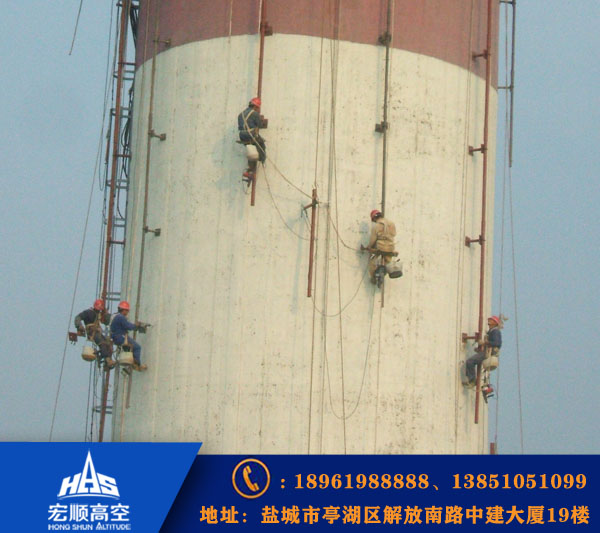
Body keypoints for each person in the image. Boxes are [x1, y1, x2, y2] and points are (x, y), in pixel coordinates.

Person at [73, 299, 115, 368]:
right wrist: (79, 326)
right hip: (92, 332)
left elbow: (106, 320)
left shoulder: (98, 314)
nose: (99, 311)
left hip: (96, 332)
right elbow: (78, 317)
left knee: (108, 343)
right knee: (102, 343)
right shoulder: (88, 312)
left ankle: (106, 360)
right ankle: (107, 360)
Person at [465, 315, 502, 385]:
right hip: (487, 352)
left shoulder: (495, 331)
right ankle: (472, 379)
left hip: (489, 352)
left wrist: (484, 342)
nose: (489, 321)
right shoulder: (491, 332)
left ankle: (472, 380)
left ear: (495, 323)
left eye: (491, 320)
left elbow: (497, 343)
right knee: (471, 361)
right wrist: (480, 350)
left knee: (470, 361)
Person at [110, 301, 147, 371]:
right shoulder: (121, 317)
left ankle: (129, 365)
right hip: (120, 337)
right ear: (123, 310)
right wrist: (136, 325)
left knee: (128, 349)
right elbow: (128, 326)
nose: (127, 312)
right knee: (137, 347)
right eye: (127, 310)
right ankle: (137, 365)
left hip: (116, 337)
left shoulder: (116, 317)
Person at [362, 209, 396, 283]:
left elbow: (373, 239)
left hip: (381, 247)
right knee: (388, 260)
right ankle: (388, 270)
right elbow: (394, 234)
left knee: (372, 262)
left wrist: (369, 247)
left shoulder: (376, 226)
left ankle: (373, 278)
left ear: (374, 218)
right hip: (391, 247)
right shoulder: (391, 223)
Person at [238, 97, 266, 172]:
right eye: (258, 108)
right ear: (255, 107)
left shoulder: (241, 114)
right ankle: (262, 161)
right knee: (261, 145)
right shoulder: (255, 114)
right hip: (250, 134)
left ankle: (250, 169)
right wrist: (261, 120)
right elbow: (259, 125)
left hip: (242, 135)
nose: (258, 109)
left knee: (251, 148)